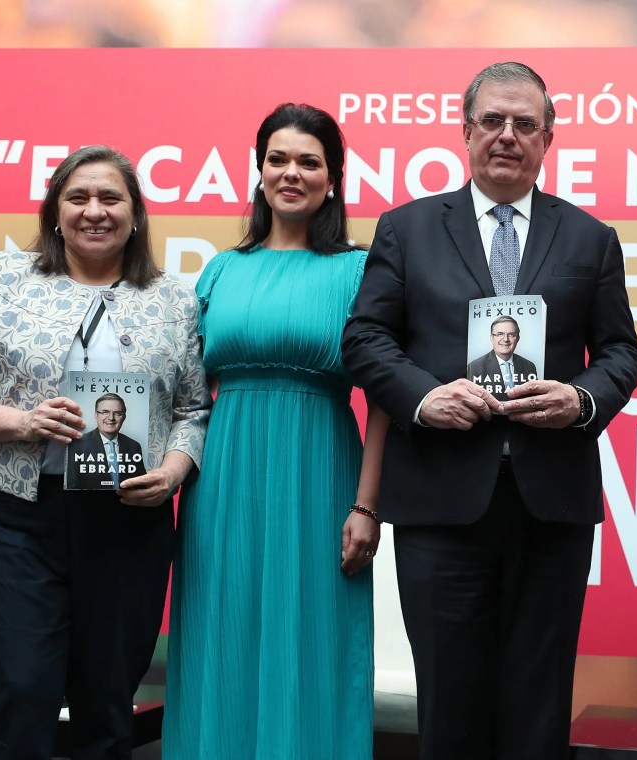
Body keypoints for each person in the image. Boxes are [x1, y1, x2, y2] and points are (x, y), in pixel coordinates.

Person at [341, 62, 637, 759]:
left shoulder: (590, 237)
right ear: (466, 131)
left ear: (548, 138)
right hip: (440, 500)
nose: (508, 135)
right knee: (450, 704)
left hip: (551, 505)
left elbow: (621, 353)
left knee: (539, 705)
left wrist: (580, 400)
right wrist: (424, 397)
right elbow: (366, 339)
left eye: (525, 124)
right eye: (493, 121)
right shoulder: (408, 229)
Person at [0, 145, 211, 759]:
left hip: (130, 522)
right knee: (23, 689)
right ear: (54, 212)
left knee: (107, 703)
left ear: (135, 214)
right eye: (77, 197)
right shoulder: (4, 280)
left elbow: (194, 410)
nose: (94, 210)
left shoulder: (175, 299)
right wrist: (24, 421)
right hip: (22, 518)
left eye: (110, 198)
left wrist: (171, 472)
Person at [163, 103, 387, 759]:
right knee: (219, 637)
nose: (292, 173)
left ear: (333, 179)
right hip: (220, 483)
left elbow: (384, 402)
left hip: (321, 475)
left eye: (309, 162)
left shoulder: (360, 270)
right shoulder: (221, 269)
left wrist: (367, 506)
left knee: (313, 640)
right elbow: (185, 392)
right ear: (259, 171)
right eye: (278, 159)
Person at [66, 393, 148, 489]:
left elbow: (141, 485)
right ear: (96, 415)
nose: (111, 418)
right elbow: (72, 486)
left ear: (124, 417)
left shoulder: (134, 446)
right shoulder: (77, 445)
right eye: (105, 412)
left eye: (118, 413)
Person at [466, 315, 538, 389]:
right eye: (500, 334)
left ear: (518, 338)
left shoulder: (529, 367)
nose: (506, 339)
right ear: (492, 338)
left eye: (511, 334)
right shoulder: (474, 368)